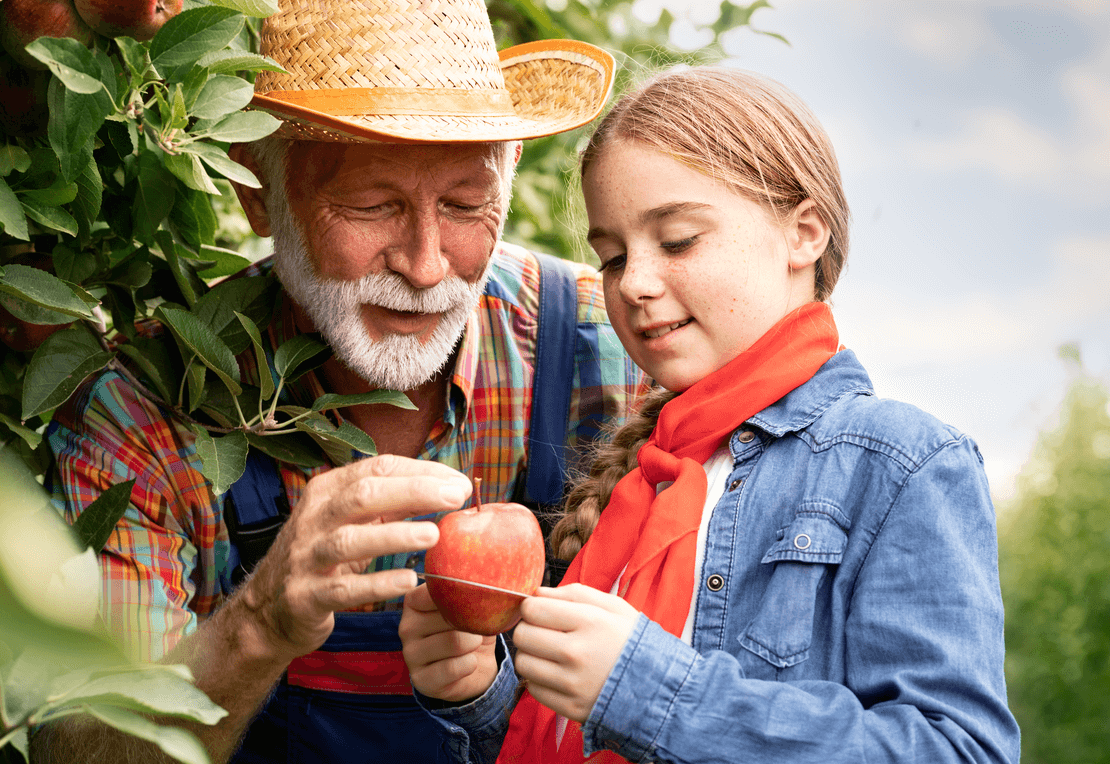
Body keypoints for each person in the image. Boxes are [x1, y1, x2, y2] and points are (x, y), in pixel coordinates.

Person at [28, 1, 645, 763]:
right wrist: (258, 623)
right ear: (259, 192)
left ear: (510, 171)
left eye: (464, 204)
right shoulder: (146, 412)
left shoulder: (608, 350)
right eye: (371, 205)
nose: (426, 266)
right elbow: (81, 748)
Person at [399, 66, 1022, 764]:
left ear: (804, 233)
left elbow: (956, 750)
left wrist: (648, 688)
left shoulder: (901, 464)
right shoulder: (639, 475)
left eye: (676, 241)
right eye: (611, 257)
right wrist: (479, 693)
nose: (634, 282)